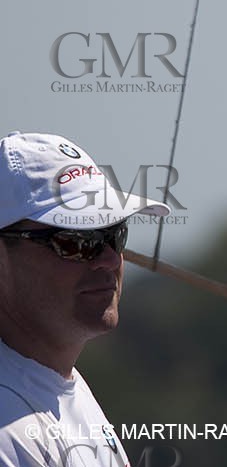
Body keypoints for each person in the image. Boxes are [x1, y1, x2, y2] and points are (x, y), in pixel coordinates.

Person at [0, 132, 171, 467]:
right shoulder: (8, 427)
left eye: (113, 234)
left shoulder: (60, 386)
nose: (110, 260)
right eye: (75, 241)